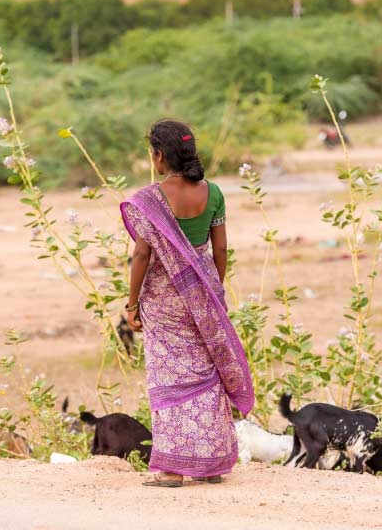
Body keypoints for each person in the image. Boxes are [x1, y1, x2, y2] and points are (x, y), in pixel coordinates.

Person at [120, 119, 254, 488]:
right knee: (207, 375)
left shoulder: (151, 199)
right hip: (204, 294)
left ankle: (173, 469)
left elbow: (142, 255)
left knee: (170, 379)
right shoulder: (213, 193)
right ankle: (211, 466)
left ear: (159, 155)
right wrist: (213, 291)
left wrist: (132, 304)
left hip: (164, 301)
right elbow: (221, 248)